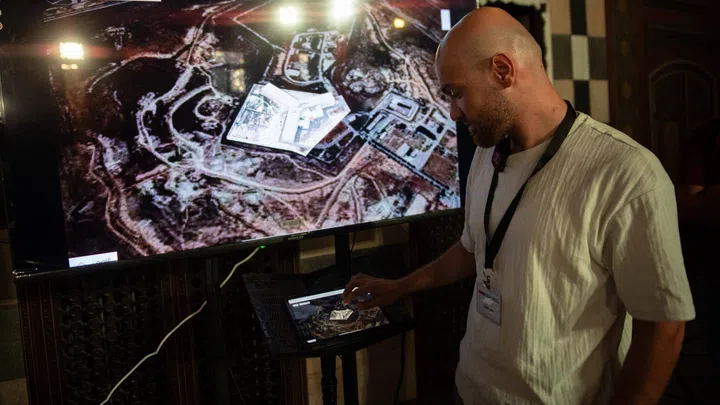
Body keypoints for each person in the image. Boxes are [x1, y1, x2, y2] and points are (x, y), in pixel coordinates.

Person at [342, 7, 695, 405]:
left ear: (502, 71)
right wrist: (400, 286)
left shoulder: (626, 173)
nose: (454, 113)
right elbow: (473, 248)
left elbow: (662, 326)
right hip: (469, 389)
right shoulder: (487, 153)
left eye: (456, 93)